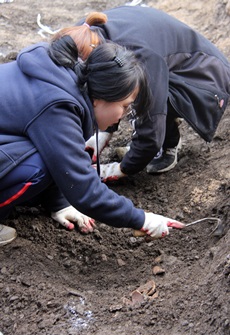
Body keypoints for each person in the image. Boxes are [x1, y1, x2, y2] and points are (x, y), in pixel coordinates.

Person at [0, 30, 184, 245]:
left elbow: (57, 153)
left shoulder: (62, 80)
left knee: (46, 156)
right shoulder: (58, 106)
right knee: (37, 166)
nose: (124, 115)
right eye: (124, 106)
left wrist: (58, 202)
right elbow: (84, 189)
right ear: (101, 98)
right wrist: (141, 219)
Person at [73, 5, 230, 180]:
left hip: (205, 75)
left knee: (145, 98)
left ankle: (169, 145)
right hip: (167, 59)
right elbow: (106, 89)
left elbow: (150, 130)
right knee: (132, 91)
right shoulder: (84, 35)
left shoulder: (139, 59)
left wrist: (122, 168)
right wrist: (102, 133)